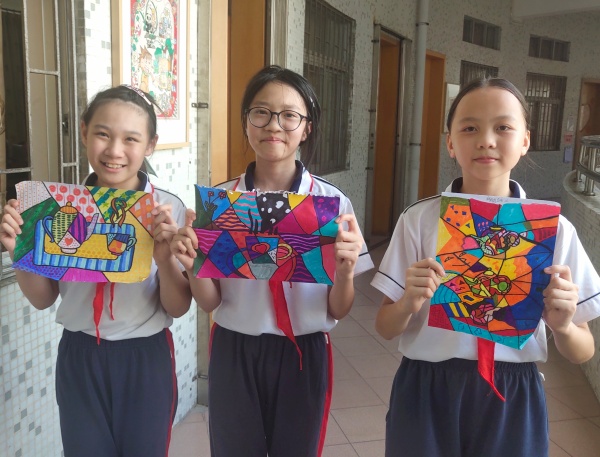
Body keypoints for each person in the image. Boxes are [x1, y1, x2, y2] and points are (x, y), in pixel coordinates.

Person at [371, 77, 600, 457]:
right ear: (450, 142)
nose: (486, 140)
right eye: (470, 128)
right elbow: (384, 326)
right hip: (426, 387)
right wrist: (408, 303)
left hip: (513, 391)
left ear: (525, 140)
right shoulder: (418, 220)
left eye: (503, 127)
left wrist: (562, 326)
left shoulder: (554, 231)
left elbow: (583, 350)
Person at [170, 65, 374, 457]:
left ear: (306, 127)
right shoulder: (220, 203)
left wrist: (346, 272)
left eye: (289, 115)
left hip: (305, 352)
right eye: (261, 112)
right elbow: (211, 302)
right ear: (245, 121)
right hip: (234, 349)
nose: (274, 126)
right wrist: (194, 264)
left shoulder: (332, 205)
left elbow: (339, 308)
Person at [0, 85, 192, 456]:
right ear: (84, 131)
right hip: (80, 355)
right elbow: (43, 299)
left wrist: (165, 257)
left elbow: (178, 306)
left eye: (131, 139)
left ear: (150, 145)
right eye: (103, 133)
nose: (114, 151)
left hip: (145, 357)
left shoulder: (167, 211)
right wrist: (17, 252)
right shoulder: (58, 207)